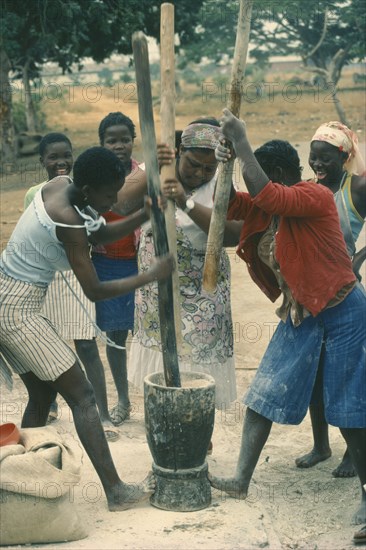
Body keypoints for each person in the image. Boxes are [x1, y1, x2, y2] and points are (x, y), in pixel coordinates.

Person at [207, 108, 366, 526]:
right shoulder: (266, 204)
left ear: (275, 171)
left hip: (343, 310)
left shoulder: (314, 197)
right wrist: (222, 164)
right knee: (262, 396)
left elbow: (268, 195)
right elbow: (229, 203)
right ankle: (241, 479)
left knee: (347, 407)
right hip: (302, 314)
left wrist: (241, 143)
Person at [0, 146, 174, 511]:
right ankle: (115, 492)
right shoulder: (68, 219)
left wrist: (145, 213)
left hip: (10, 300)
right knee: (83, 396)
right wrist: (148, 276)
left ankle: (23, 483)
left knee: (42, 396)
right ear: (88, 190)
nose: (113, 200)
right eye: (109, 193)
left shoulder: (64, 185)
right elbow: (94, 290)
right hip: (16, 310)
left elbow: (100, 234)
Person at [117, 117, 237, 418]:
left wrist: (187, 203)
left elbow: (232, 234)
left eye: (208, 168)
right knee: (162, 366)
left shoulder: (224, 180)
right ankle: (165, 430)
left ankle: (197, 435)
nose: (200, 173)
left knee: (197, 368)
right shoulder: (156, 168)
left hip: (204, 292)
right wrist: (154, 167)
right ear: (180, 151)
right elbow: (120, 204)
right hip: (159, 289)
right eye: (193, 164)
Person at [24, 133, 119, 441]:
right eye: (53, 157)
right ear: (42, 162)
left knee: (87, 345)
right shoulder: (33, 195)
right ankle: (48, 405)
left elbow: (93, 231)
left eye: (66, 155)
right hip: (49, 280)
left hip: (78, 275)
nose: (61, 162)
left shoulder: (81, 192)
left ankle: (102, 413)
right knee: (45, 346)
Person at [295, 121, 366, 477]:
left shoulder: (357, 188)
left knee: (348, 377)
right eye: (313, 157)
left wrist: (359, 257)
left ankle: (353, 454)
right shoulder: (309, 190)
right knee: (316, 373)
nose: (318, 165)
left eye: (326, 158)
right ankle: (321, 446)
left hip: (345, 295)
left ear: (345, 157)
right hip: (313, 297)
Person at [91, 113, 140, 427]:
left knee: (151, 335)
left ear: (133, 140)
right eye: (112, 140)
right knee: (115, 335)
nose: (119, 145)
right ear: (102, 143)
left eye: (125, 139)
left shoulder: (144, 174)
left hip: (141, 262)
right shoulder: (94, 178)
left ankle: (155, 393)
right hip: (107, 265)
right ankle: (123, 398)